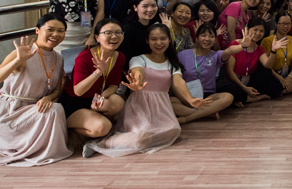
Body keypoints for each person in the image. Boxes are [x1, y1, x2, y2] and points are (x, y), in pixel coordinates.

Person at [82, 23, 208, 158]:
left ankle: (131, 140)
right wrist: (137, 83)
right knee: (142, 138)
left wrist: (190, 99)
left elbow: (179, 81)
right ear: (147, 41)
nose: (159, 42)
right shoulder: (139, 59)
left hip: (161, 110)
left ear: (169, 40)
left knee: (174, 131)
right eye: (154, 39)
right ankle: (102, 143)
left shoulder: (172, 64)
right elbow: (138, 71)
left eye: (163, 38)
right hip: (139, 108)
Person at [0, 15, 73, 168]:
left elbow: (57, 90)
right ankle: (33, 150)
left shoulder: (58, 58)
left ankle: (45, 150)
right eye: (50, 30)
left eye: (61, 31)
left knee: (55, 108)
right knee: (55, 110)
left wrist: (49, 98)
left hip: (35, 109)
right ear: (37, 30)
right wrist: (18, 60)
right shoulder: (22, 53)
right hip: (9, 112)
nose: (55, 34)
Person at [61, 19, 126, 141]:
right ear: (97, 37)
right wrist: (97, 72)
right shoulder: (84, 57)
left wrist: (100, 98)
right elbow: (78, 91)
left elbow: (113, 85)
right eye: (108, 33)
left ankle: (91, 125)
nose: (114, 36)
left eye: (118, 32)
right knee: (102, 127)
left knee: (118, 102)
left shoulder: (119, 56)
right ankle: (75, 133)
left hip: (94, 100)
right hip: (75, 102)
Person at [215, 17, 284, 106]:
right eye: (255, 30)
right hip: (232, 81)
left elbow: (268, 65)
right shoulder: (235, 44)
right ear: (247, 29)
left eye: (261, 31)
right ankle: (250, 98)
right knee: (230, 89)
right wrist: (244, 88)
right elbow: (229, 71)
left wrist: (273, 51)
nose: (258, 33)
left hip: (247, 80)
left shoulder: (259, 49)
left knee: (269, 77)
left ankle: (242, 98)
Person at [176, 24, 235, 124]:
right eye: (203, 35)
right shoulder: (183, 54)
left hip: (207, 96)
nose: (207, 39)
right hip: (187, 95)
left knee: (228, 97)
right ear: (197, 38)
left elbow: (228, 51)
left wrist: (243, 45)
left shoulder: (215, 55)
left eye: (211, 36)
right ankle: (206, 113)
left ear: (215, 39)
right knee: (170, 102)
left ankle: (187, 118)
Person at [118, 0, 160, 69]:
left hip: (154, 66)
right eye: (145, 6)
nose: (150, 10)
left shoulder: (157, 25)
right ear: (135, 7)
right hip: (134, 69)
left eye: (154, 6)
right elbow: (125, 56)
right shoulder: (127, 29)